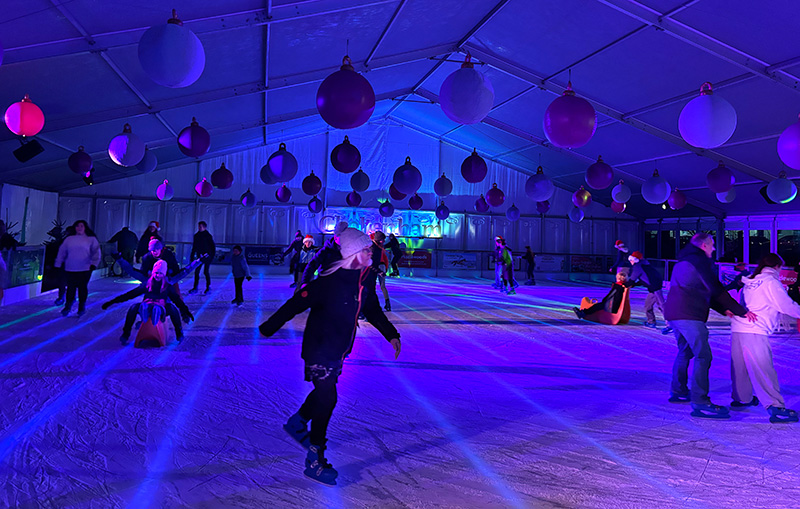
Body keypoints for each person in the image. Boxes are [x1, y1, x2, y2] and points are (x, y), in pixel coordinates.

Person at [259, 227, 401, 486]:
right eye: (366, 249)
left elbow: (373, 309)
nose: (371, 252)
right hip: (318, 348)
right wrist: (268, 327)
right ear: (355, 254)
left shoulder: (365, 281)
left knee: (326, 393)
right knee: (328, 398)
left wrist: (391, 334)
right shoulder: (328, 282)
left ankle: (298, 421)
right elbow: (295, 304)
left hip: (338, 349)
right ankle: (314, 460)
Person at [663, 232, 756, 419]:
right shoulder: (700, 261)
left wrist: (724, 310)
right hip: (689, 316)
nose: (714, 249)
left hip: (674, 314)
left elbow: (701, 290)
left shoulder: (684, 260)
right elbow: (715, 289)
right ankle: (700, 401)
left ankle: (679, 391)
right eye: (712, 245)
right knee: (703, 356)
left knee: (685, 352)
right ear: (704, 245)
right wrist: (741, 311)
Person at [728, 253, 799, 423]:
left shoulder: (751, 281)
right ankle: (775, 406)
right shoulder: (771, 282)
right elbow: (786, 305)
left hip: (738, 328)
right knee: (763, 368)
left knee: (740, 367)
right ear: (776, 267)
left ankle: (742, 398)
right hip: (755, 330)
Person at [112, 252, 203, 342]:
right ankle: (127, 333)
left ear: (164, 273)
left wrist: (185, 312)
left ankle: (178, 332)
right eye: (156, 273)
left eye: (160, 273)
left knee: (171, 308)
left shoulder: (168, 283)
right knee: (134, 307)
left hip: (162, 306)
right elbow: (131, 276)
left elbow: (185, 272)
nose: (157, 276)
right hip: (148, 304)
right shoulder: (147, 282)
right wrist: (113, 301)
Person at [55, 220, 101, 317]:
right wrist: (58, 263)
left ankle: (81, 306)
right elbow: (62, 251)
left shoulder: (91, 239)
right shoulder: (69, 239)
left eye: (81, 226)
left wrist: (94, 263)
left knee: (82, 288)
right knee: (70, 288)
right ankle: (68, 306)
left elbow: (96, 252)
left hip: (85, 268)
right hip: (70, 268)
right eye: (77, 226)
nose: (79, 228)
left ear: (85, 228)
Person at [300, 222, 348, 288]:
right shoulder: (325, 250)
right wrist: (305, 281)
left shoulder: (350, 250)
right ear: (335, 236)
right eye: (339, 236)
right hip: (325, 283)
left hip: (342, 284)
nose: (341, 239)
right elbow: (312, 264)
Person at [626, 251, 666, 329]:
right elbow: (644, 279)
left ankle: (670, 324)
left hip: (655, 288)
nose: (630, 261)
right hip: (653, 288)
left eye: (631, 260)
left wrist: (625, 285)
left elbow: (632, 279)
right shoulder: (644, 265)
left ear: (634, 260)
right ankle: (651, 321)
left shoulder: (638, 266)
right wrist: (634, 285)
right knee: (648, 305)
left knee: (662, 306)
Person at [189, 221, 216, 295]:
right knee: (197, 272)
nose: (199, 228)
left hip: (207, 257)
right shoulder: (197, 236)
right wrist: (192, 256)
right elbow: (194, 246)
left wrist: (210, 255)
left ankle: (208, 287)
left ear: (204, 227)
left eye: (201, 226)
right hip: (199, 256)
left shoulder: (208, 236)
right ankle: (195, 288)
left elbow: (212, 247)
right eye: (199, 226)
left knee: (206, 272)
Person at [372, 231, 392, 311]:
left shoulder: (377, 247)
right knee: (382, 286)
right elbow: (385, 259)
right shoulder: (379, 248)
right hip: (380, 266)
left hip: (377, 267)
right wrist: (385, 268)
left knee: (373, 286)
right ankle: (387, 303)